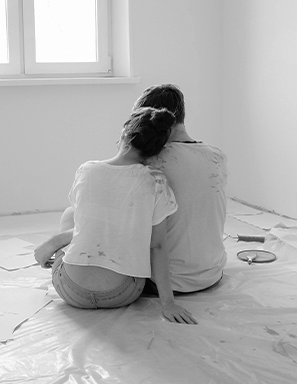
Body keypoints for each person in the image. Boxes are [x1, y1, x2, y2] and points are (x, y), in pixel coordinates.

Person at [34, 107, 197, 325]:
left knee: (71, 214)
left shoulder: (87, 170)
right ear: (156, 152)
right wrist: (168, 303)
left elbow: (87, 224)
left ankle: (55, 244)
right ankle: (57, 243)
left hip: (71, 289)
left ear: (124, 134)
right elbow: (157, 246)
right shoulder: (156, 181)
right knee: (88, 218)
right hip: (122, 293)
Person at [133, 84, 228, 293]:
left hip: (165, 282)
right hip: (212, 273)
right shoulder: (218, 156)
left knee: (73, 217)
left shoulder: (152, 161)